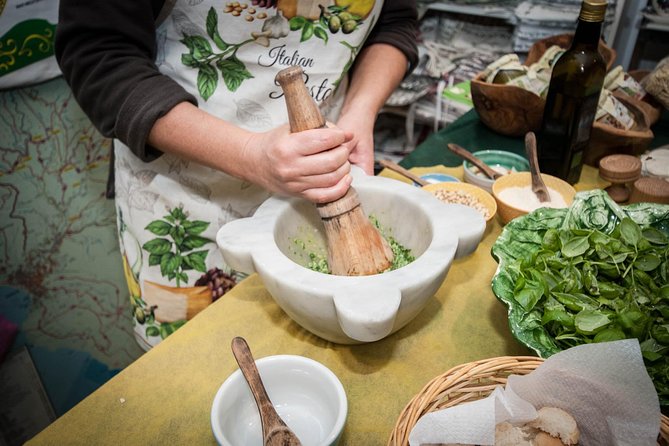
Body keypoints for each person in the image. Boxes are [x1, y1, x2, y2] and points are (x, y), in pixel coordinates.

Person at [55, 0, 419, 350]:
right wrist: (251, 154)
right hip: (185, 204)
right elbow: (98, 53)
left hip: (318, 188)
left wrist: (360, 112)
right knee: (200, 369)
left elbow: (395, 22)